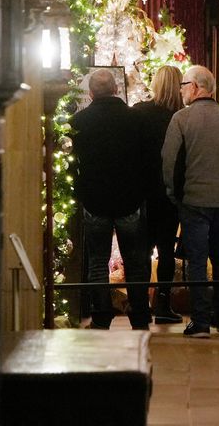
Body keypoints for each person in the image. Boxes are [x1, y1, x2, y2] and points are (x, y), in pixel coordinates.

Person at [161, 65, 219, 338]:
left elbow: (170, 162)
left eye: (184, 84)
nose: (181, 90)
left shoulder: (181, 119)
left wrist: (173, 194)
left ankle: (200, 321)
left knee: (198, 259)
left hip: (194, 199)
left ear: (196, 86)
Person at [70, 68, 152, 330]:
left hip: (95, 200)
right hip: (130, 199)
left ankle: (101, 315)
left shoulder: (79, 122)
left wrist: (80, 191)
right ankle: (139, 316)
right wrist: (141, 192)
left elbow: (74, 163)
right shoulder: (135, 119)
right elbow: (146, 161)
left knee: (97, 262)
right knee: (136, 262)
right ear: (117, 89)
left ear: (91, 92)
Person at [133, 65, 184, 324]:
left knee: (142, 250)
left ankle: (140, 305)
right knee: (166, 250)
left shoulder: (140, 112)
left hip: (143, 190)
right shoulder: (181, 116)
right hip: (170, 192)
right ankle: (163, 304)